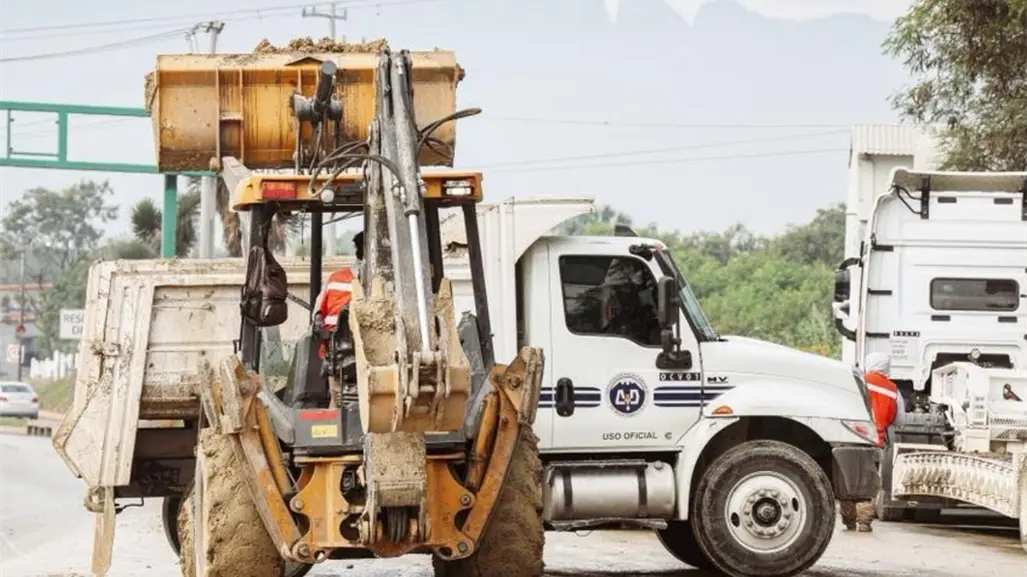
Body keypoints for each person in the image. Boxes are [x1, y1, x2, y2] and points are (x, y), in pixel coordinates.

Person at [840, 351, 900, 532]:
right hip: (875, 440)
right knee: (867, 479)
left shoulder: (857, 382)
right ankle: (864, 521)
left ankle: (848, 519)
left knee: (847, 478)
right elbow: (900, 420)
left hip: (850, 436)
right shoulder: (892, 389)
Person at [312, 231, 364, 346]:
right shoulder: (386, 284)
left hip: (335, 349)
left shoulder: (335, 278)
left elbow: (317, 317)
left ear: (356, 251)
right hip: (339, 348)